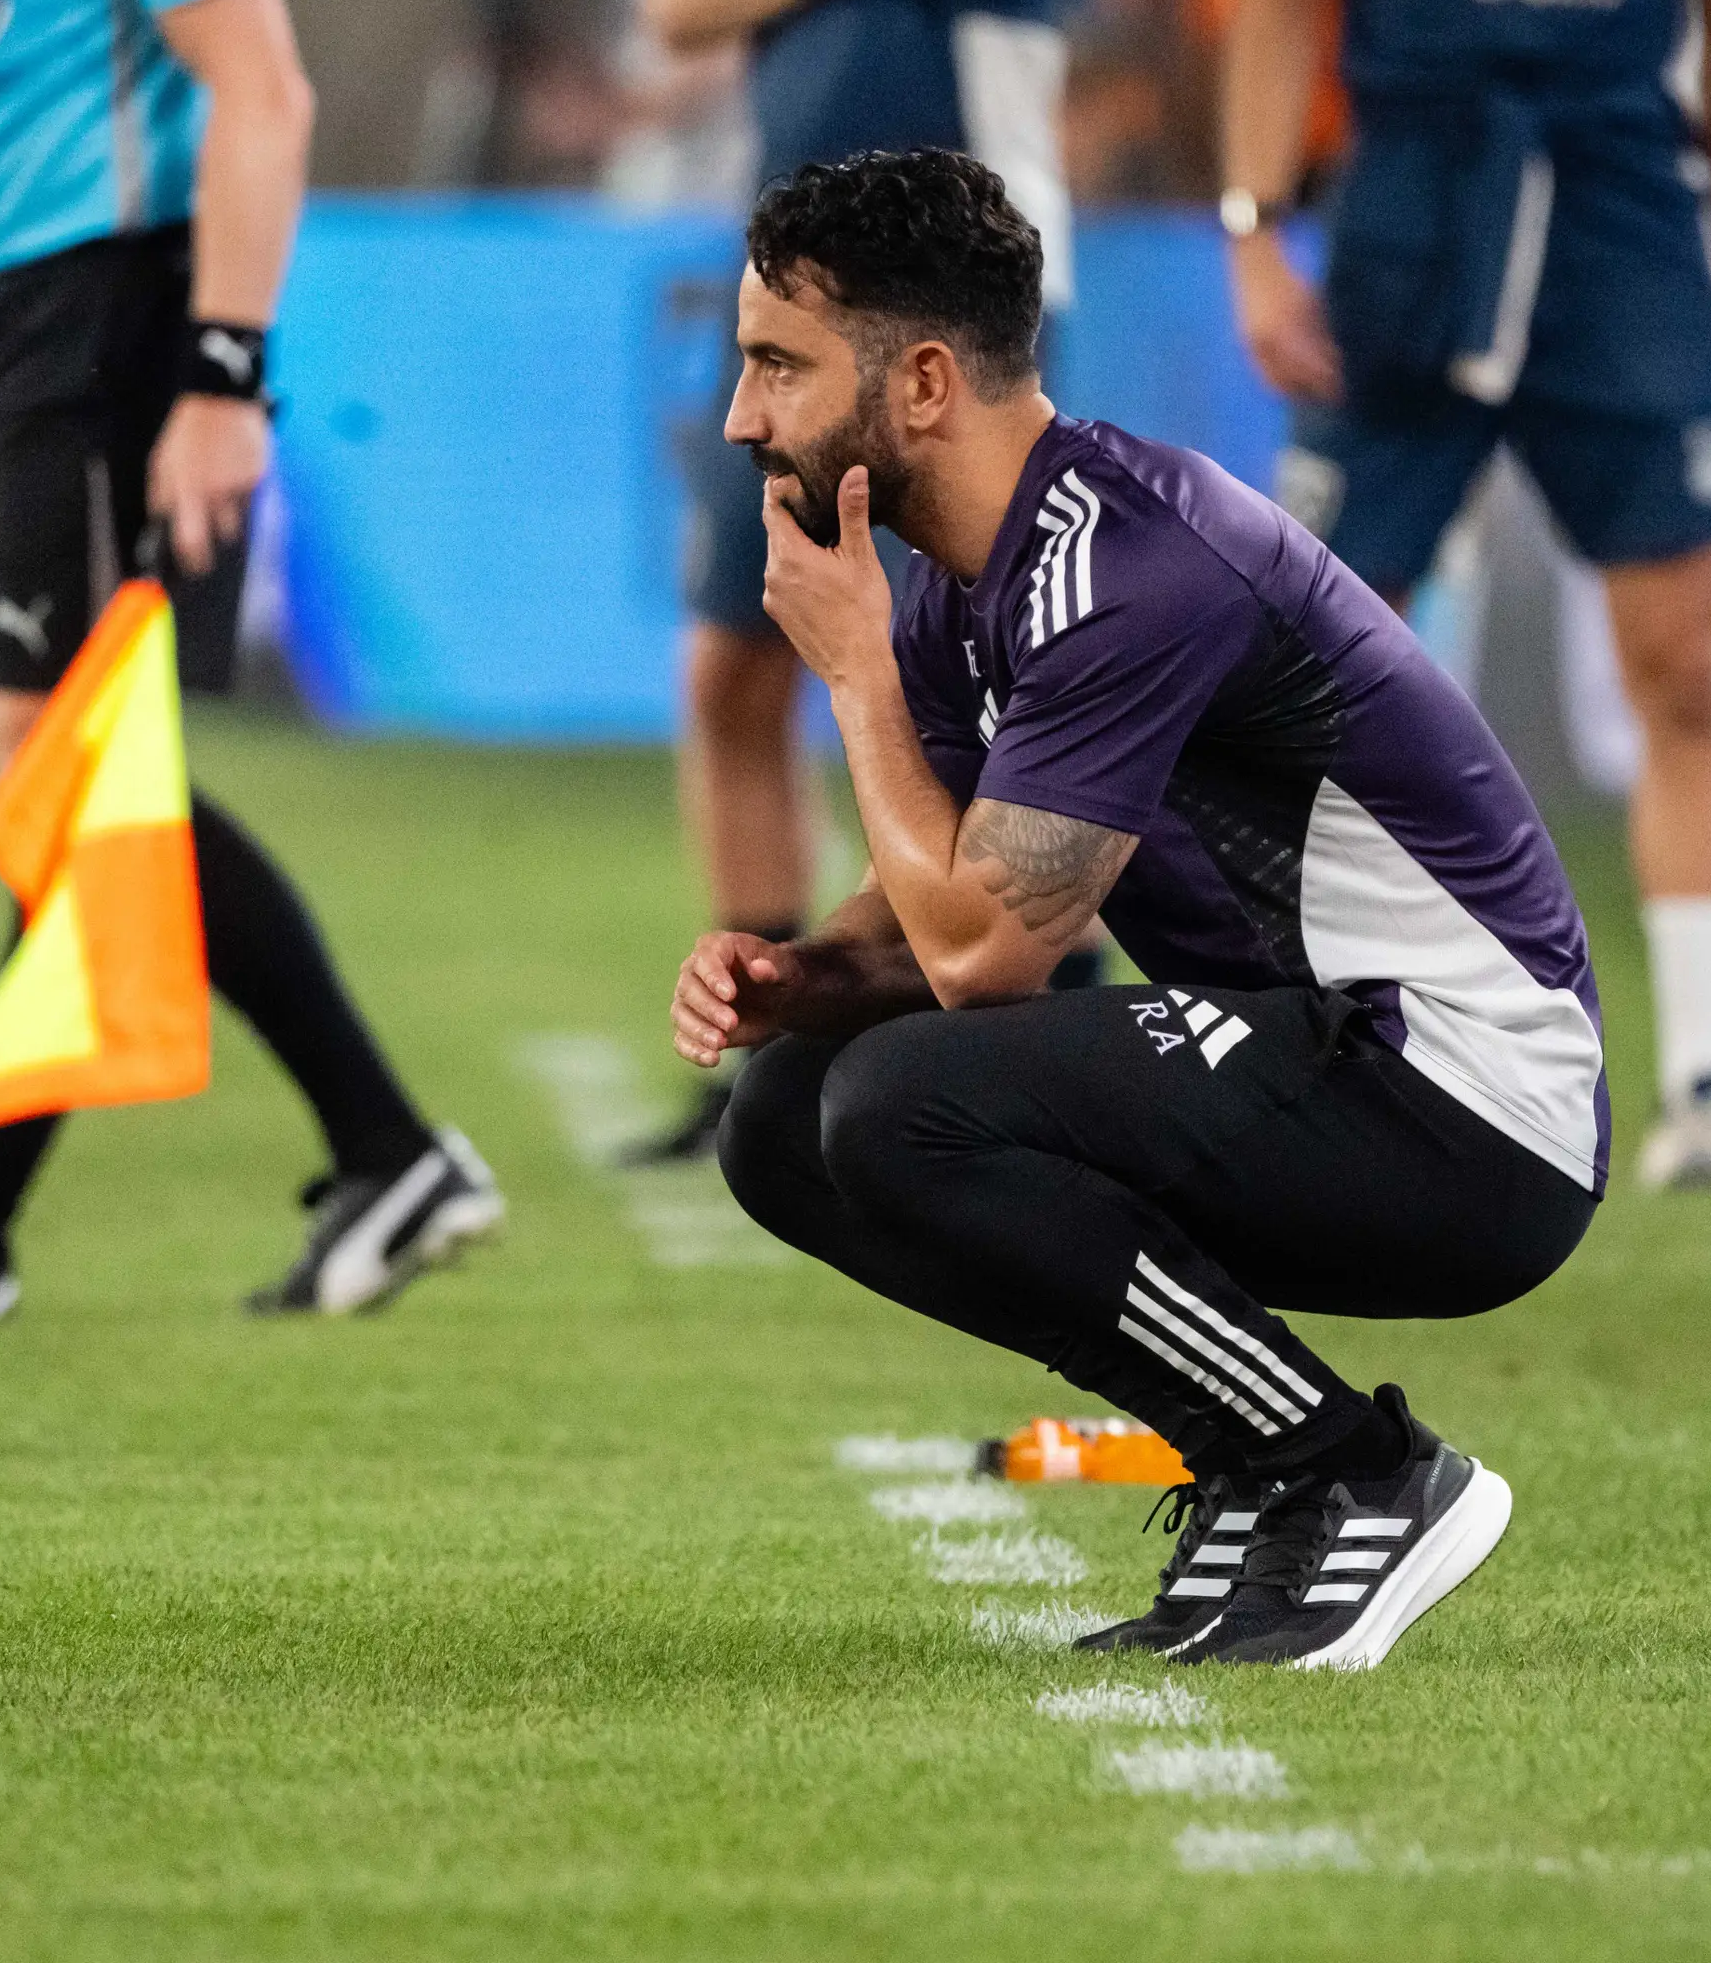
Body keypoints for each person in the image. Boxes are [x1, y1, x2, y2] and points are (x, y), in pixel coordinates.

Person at [679, 150, 1600, 1669]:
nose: (741, 417)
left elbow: (984, 956)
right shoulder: (976, 574)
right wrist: (803, 972)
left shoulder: (1125, 567)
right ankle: (1256, 1468)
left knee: (905, 1106)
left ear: (920, 382)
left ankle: (1354, 1471)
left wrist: (848, 678)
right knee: (788, 1115)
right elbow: (929, 920)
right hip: (1325, 1055)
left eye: (778, 365)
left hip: (1466, 1100)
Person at [0, 0, 501, 1327]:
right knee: (66, 778)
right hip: (3, 302)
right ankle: (372, 1153)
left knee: (66, 772)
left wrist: (220, 373)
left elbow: (265, 91)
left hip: (115, 309)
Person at [1216, 0, 1711, 1194]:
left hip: (1622, 230)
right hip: (1410, 213)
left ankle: (1703, 1084)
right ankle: (1282, 1044)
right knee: (1299, 665)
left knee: (1683, 666)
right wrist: (1252, 230)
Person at [627, 0, 1072, 1162]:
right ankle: (764, 1021)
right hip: (798, 287)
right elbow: (670, 3)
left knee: (1016, 653)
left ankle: (1059, 1003)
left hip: (968, 283)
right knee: (731, 666)